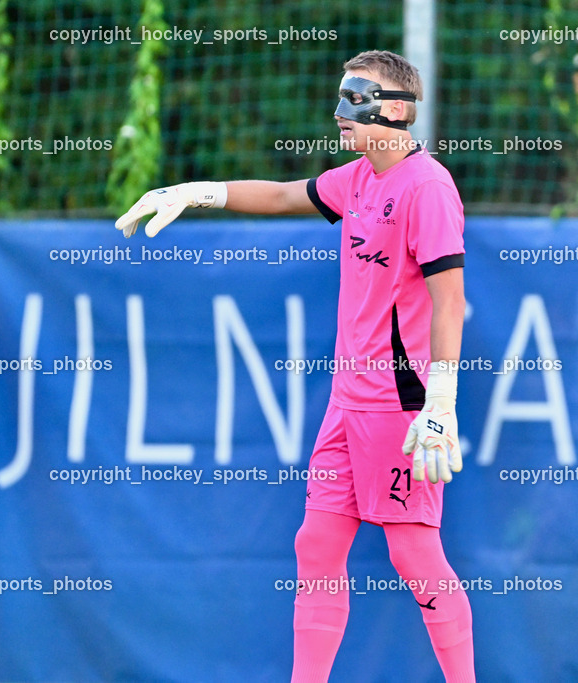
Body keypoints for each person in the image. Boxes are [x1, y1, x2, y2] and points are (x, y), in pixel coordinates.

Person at [115, 49, 475, 683]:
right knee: (315, 546)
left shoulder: (427, 187)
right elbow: (284, 195)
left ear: (393, 110)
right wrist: (198, 192)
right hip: (346, 405)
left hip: (400, 406)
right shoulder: (361, 177)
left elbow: (451, 302)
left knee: (414, 552)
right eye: (339, 96)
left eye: (354, 98)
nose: (339, 112)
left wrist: (440, 406)